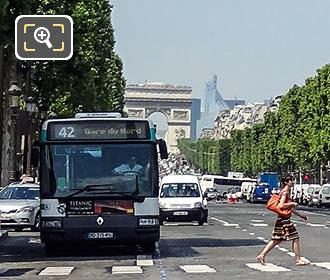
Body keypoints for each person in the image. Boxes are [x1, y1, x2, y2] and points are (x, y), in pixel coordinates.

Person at [256, 174, 309, 266]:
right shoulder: (285, 192)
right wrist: (292, 203)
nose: (293, 182)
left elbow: (288, 208)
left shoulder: (285, 191)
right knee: (295, 238)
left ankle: (262, 255)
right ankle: (298, 259)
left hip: (282, 219)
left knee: (276, 239)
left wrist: (300, 215)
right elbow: (281, 205)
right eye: (291, 180)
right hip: (284, 220)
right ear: (286, 182)